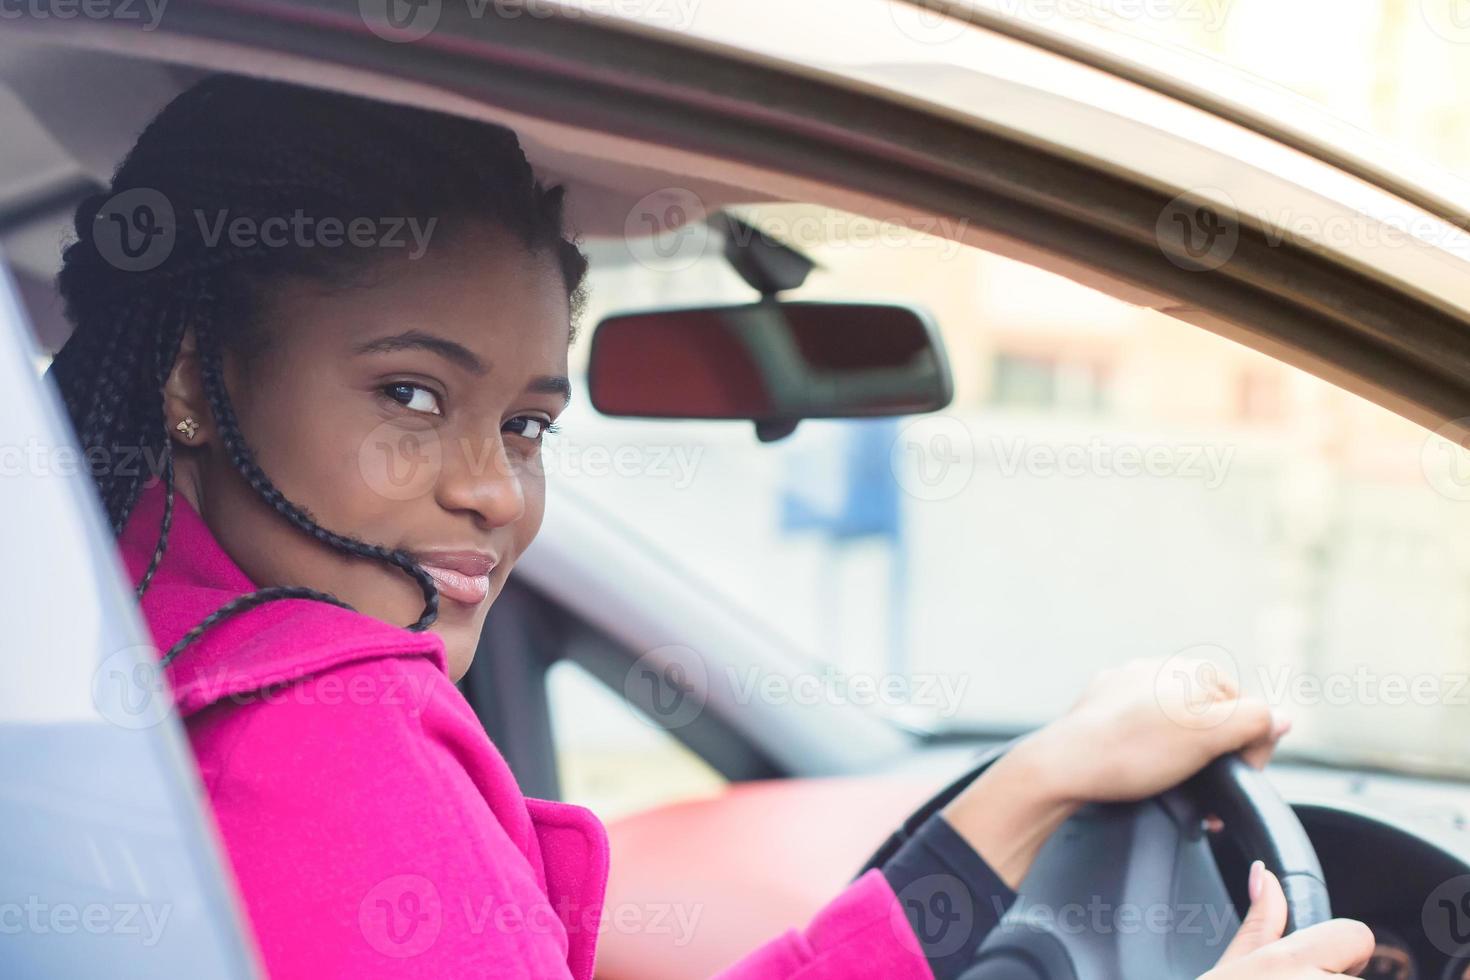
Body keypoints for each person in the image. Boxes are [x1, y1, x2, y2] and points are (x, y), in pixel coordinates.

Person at [49, 75, 1373, 979]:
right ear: (188, 379)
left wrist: (1031, 785)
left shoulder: (102, 670)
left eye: (522, 425)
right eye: (410, 396)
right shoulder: (328, 735)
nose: (494, 493)